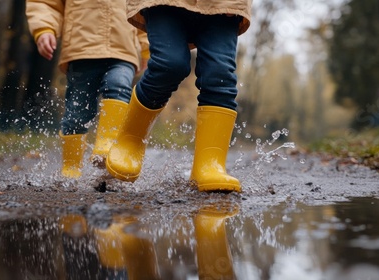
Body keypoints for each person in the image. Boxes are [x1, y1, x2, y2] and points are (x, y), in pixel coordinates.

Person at [106, 2, 251, 192]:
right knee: (169, 65)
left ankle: (210, 165)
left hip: (222, 5)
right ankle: (130, 140)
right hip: (164, 3)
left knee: (220, 75)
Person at [26, 0, 149, 178]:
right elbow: (45, 3)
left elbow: (142, 10)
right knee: (78, 111)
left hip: (123, 51)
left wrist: (148, 48)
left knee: (119, 85)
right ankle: (71, 167)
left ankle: (106, 145)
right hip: (81, 50)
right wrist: (44, 29)